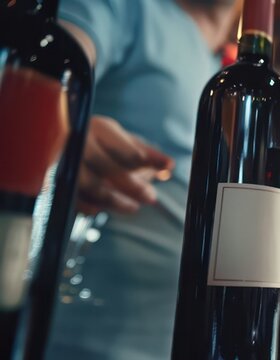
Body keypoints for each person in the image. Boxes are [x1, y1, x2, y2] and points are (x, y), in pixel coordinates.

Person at [46, 0, 240, 358]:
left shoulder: (223, 66)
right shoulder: (130, 8)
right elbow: (42, 73)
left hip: (181, 342)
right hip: (84, 340)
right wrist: (61, 134)